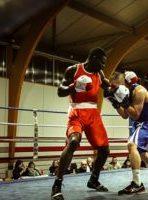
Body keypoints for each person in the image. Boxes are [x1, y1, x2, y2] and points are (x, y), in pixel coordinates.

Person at [51, 47, 110, 200]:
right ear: (94, 58)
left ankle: (94, 180)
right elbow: (60, 91)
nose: (104, 66)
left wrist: (114, 89)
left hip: (93, 113)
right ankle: (57, 185)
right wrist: (74, 87)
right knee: (73, 142)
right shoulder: (73, 70)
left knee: (104, 150)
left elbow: (106, 86)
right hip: (76, 111)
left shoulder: (99, 73)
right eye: (102, 62)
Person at [106, 71, 148, 195]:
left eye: (116, 86)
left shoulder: (139, 91)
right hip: (140, 124)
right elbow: (125, 115)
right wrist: (115, 103)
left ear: (125, 83)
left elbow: (135, 115)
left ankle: (137, 184)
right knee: (140, 152)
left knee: (131, 145)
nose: (114, 89)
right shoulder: (125, 92)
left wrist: (123, 102)